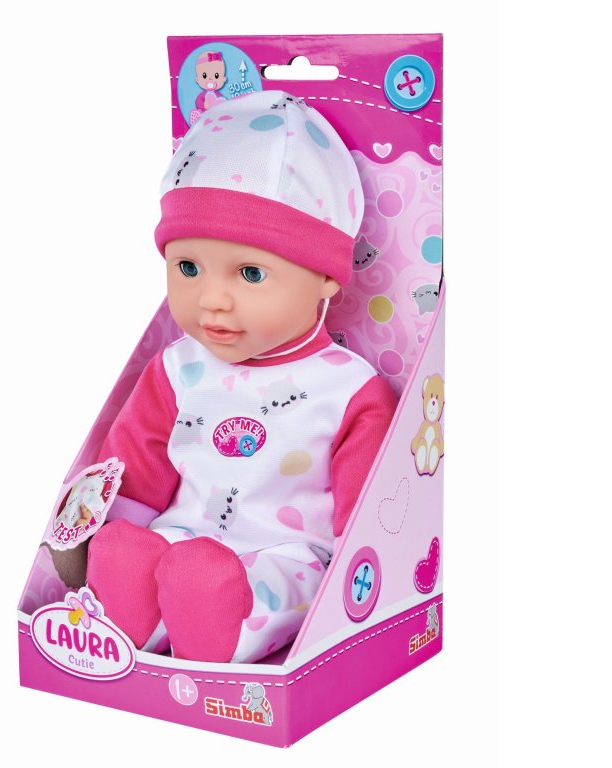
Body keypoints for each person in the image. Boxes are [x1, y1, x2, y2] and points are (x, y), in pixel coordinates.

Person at [85, 90, 397, 664]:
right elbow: (136, 467)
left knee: (277, 588)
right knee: (137, 553)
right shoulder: (179, 367)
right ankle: (136, 618)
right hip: (181, 538)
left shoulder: (350, 391)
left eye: (250, 273)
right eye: (188, 267)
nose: (212, 299)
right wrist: (108, 534)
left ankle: (220, 627)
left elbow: (365, 512)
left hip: (289, 554)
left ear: (326, 277)